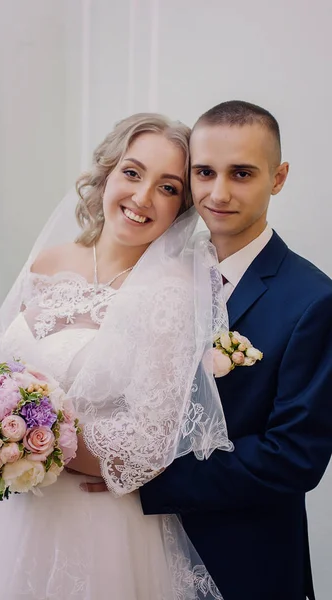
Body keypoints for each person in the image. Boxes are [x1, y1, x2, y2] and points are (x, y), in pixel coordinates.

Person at [0, 113, 232, 600]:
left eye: (168, 187)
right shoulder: (49, 261)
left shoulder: (171, 293)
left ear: (181, 207)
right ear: (107, 173)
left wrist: (41, 443)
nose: (142, 197)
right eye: (132, 173)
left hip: (93, 527)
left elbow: (147, 443)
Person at [140, 101, 332, 600]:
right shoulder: (162, 272)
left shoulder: (312, 299)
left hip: (243, 562)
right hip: (139, 552)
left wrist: (145, 477)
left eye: (241, 173)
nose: (218, 193)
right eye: (204, 172)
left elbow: (292, 457)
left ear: (279, 177)